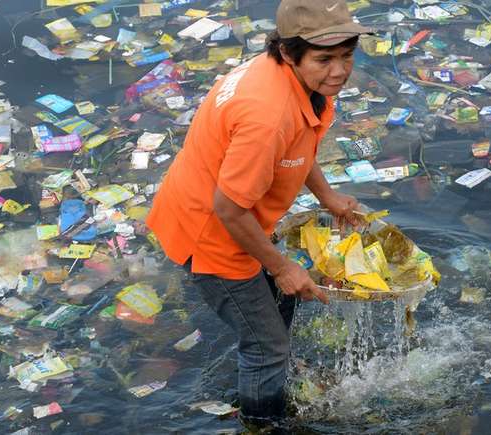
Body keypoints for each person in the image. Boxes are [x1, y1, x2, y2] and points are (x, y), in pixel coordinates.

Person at [145, 0, 372, 426]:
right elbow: (228, 209)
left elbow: (299, 142)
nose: (339, 71)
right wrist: (283, 266)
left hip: (222, 204)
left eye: (346, 56)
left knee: (276, 312)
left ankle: (269, 359)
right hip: (212, 231)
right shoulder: (267, 115)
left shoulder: (295, 81)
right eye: (325, 59)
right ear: (289, 52)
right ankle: (260, 423)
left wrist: (327, 197)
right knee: (266, 347)